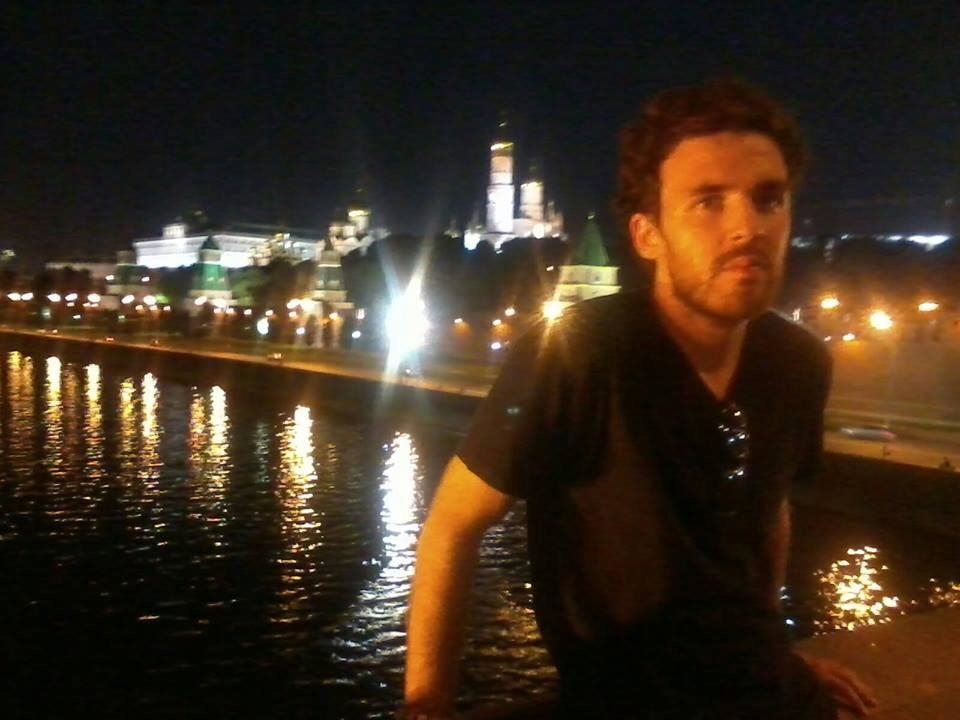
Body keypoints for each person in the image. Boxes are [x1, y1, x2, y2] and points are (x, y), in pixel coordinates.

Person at [402, 79, 878, 719]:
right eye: (708, 202)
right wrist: (426, 707)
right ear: (647, 234)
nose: (747, 228)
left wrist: (772, 651)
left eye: (768, 199)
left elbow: (768, 514)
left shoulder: (800, 362)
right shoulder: (577, 355)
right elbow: (452, 526)